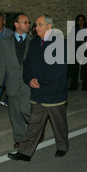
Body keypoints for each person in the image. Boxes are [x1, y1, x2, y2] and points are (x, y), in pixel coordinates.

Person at [8, 14, 69, 161]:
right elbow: (27, 63)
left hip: (53, 92)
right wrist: (29, 79)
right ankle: (25, 152)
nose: (36, 28)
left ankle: (62, 146)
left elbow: (59, 69)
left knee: (59, 124)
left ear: (49, 26)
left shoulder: (61, 43)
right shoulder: (35, 43)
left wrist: (40, 80)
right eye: (35, 25)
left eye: (39, 25)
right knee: (34, 124)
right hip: (38, 92)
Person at [0, 13, 32, 149]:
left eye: (28, 22)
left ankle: (36, 129)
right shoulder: (5, 42)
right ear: (16, 24)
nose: (28, 25)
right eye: (25, 22)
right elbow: (1, 64)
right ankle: (19, 138)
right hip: (12, 82)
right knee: (15, 113)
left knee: (26, 109)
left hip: (28, 82)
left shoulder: (33, 41)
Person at [69, 14, 87, 91]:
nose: (80, 21)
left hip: (85, 50)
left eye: (82, 20)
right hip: (76, 50)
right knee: (75, 69)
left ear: (84, 21)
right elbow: (71, 39)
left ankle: (85, 86)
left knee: (85, 69)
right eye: (79, 20)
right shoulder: (74, 29)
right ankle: (73, 86)